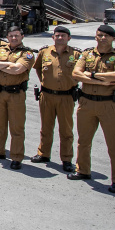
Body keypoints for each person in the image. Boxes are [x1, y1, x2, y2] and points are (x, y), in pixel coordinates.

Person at [68, 25, 115, 193]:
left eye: (107, 36)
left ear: (113, 38)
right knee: (83, 140)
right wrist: (101, 80)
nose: (103, 38)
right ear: (95, 37)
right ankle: (82, 170)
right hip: (86, 103)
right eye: (100, 35)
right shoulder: (87, 54)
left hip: (109, 105)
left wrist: (91, 75)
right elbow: (76, 74)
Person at [31, 26, 81, 172]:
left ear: (69, 38)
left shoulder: (76, 54)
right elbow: (38, 68)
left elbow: (82, 71)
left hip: (66, 96)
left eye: (63, 36)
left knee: (66, 130)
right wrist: (44, 82)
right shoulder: (44, 52)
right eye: (57, 35)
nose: (60, 38)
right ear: (53, 37)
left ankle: (66, 159)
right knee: (46, 127)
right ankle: (43, 153)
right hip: (47, 95)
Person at [0, 25, 35, 169]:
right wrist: (9, 64)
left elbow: (18, 69)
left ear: (22, 36)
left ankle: (16, 156)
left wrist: (1, 66)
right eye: (11, 36)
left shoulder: (27, 53)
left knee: (16, 127)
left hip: (16, 94)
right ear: (7, 37)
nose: (13, 38)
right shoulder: (1, 49)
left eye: (16, 35)